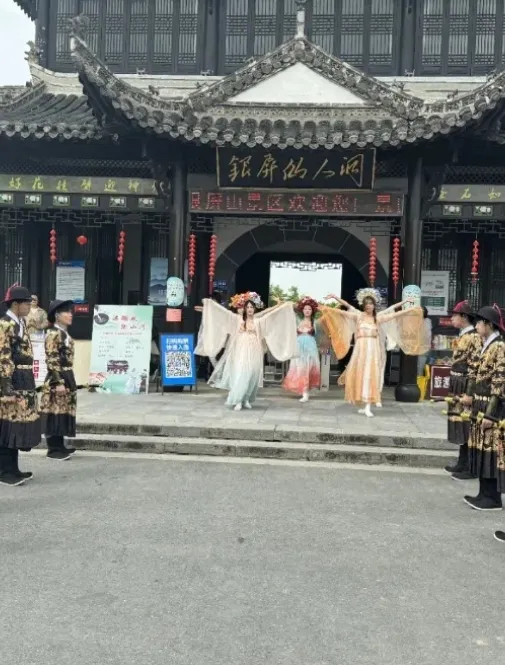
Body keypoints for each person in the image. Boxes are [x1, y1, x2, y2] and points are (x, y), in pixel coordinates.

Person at [321, 289, 428, 417]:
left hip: (372, 350)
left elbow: (394, 313)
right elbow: (344, 309)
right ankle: (362, 404)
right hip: (360, 351)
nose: (368, 306)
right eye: (366, 304)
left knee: (370, 375)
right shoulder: (359, 316)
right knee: (360, 375)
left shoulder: (378, 318)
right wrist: (332, 302)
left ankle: (368, 406)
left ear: (373, 305)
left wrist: (408, 307)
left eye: (370, 304)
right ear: (363, 305)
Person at [195, 292, 297, 410]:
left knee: (253, 373)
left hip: (255, 350)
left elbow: (270, 314)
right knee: (243, 373)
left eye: (251, 307)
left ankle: (246, 398)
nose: (249, 309)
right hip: (242, 350)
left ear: (254, 309)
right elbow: (223, 313)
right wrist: (209, 306)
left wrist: (283, 306)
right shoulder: (238, 319)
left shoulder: (258, 321)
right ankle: (238, 400)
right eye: (247, 307)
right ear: (244, 309)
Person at [462, 305, 505, 511]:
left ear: (489, 324)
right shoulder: (485, 344)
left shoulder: (499, 346)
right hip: (480, 402)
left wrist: (491, 414)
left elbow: (499, 381)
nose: (477, 325)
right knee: (480, 448)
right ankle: (483, 493)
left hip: (490, 405)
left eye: (479, 322)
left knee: (490, 450)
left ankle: (492, 497)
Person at [0, 285, 41, 486]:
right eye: (27, 303)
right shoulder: (5, 324)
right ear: (16, 304)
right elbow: (3, 356)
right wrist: (6, 387)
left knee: (17, 425)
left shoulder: (20, 322)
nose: (29, 307)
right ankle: (5, 471)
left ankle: (13, 468)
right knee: (8, 425)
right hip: (12, 379)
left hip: (24, 378)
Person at [444, 301, 482, 481]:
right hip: (457, 381)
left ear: (464, 317)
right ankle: (462, 461)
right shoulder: (464, 335)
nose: (452, 318)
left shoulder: (473, 336)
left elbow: (474, 366)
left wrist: (469, 391)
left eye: (455, 315)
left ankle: (469, 465)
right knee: (460, 422)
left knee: (466, 423)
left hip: (465, 383)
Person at [39, 300, 77, 461]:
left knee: (63, 410)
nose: (70, 315)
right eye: (66, 312)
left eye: (70, 312)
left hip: (67, 374)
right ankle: (53, 449)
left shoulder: (64, 333)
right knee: (54, 410)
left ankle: (60, 445)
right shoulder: (53, 333)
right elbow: (51, 359)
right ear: (57, 315)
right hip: (58, 376)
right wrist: (58, 382)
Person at [282, 297, 324, 403]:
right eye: (305, 309)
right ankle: (304, 391)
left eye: (309, 309)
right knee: (300, 369)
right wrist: (302, 302)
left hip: (310, 349)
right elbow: (290, 308)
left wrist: (319, 306)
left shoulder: (316, 323)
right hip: (299, 348)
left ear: (312, 311)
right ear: (302, 310)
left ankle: (305, 393)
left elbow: (319, 336)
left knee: (308, 369)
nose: (307, 311)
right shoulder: (297, 320)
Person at [416, 306, 432, 375]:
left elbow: (424, 336)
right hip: (423, 349)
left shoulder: (425, 321)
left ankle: (419, 380)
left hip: (422, 349)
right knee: (420, 368)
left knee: (420, 369)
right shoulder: (428, 321)